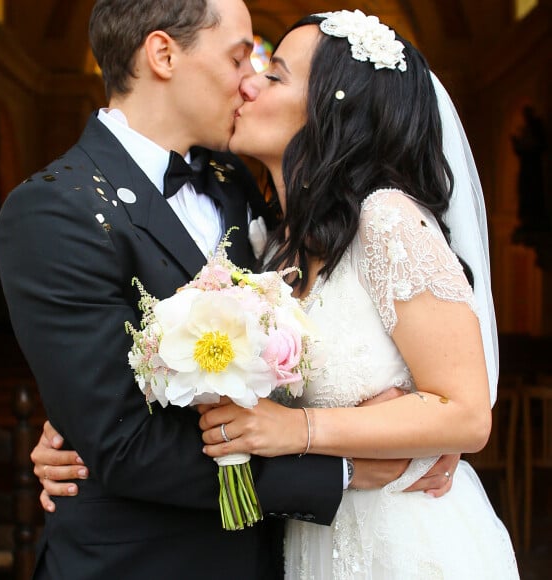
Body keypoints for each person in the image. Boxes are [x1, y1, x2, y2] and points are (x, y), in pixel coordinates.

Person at [0, 2, 457, 578]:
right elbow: (125, 444)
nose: (249, 81)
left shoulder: (236, 180)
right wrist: (346, 469)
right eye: (241, 57)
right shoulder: (53, 210)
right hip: (145, 562)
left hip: (282, 555)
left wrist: (425, 421)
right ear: (163, 54)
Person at [195, 10, 519, 578]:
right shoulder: (267, 244)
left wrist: (300, 429)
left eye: (275, 76)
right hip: (313, 534)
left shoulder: (386, 219)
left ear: (332, 108)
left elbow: (467, 414)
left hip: (407, 538)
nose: (249, 81)